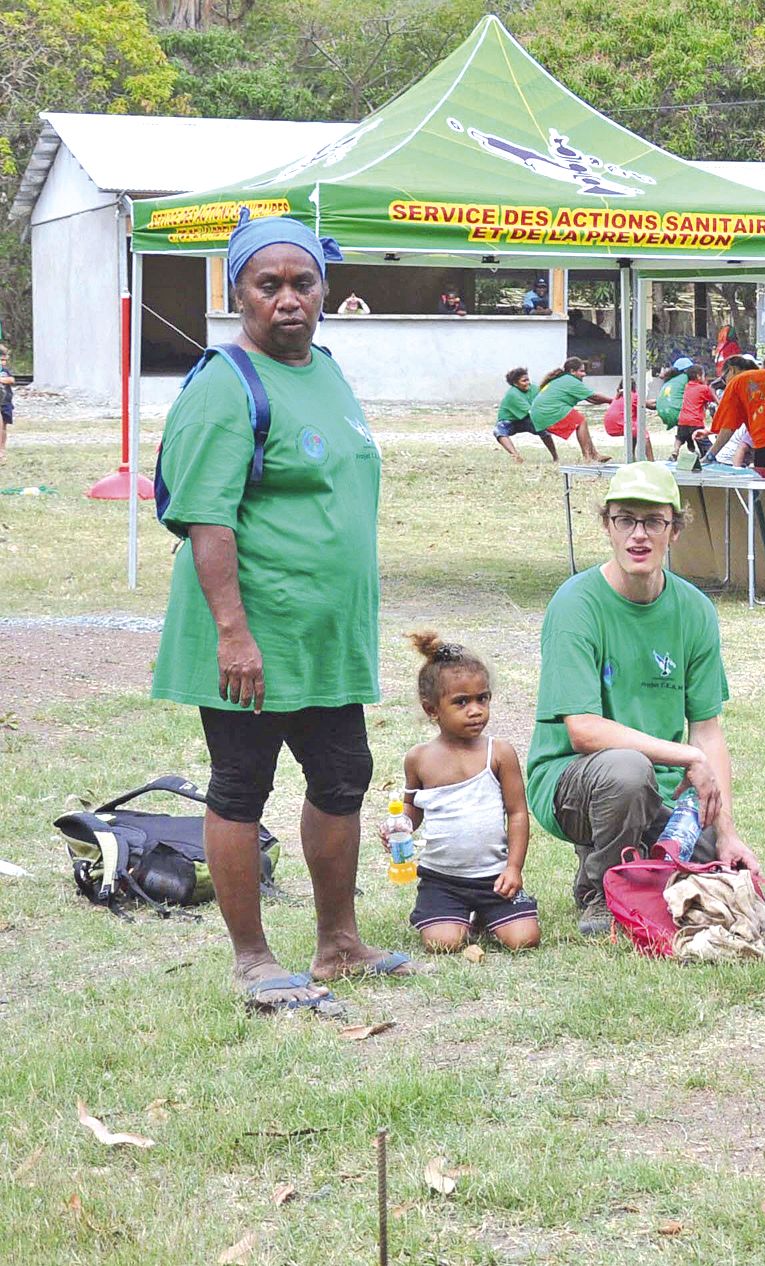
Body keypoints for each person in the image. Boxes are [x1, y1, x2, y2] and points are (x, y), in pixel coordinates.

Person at [151, 212, 423, 1013]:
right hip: (251, 631)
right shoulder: (225, 385)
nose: (288, 299)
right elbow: (207, 518)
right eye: (268, 285)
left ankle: (339, 944)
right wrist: (233, 633)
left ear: (325, 289)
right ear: (238, 292)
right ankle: (252, 959)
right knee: (242, 781)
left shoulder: (328, 371)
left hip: (322, 633)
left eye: (303, 282)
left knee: (344, 773)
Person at [525, 463, 760, 933]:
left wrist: (728, 832)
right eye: (625, 520)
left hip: (662, 785)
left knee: (726, 883)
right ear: (607, 526)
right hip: (571, 779)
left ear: (674, 530)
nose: (639, 535)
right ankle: (601, 890)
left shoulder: (694, 609)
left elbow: (708, 731)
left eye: (654, 521)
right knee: (628, 770)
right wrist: (686, 754)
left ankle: (645, 865)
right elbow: (584, 729)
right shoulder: (576, 604)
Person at [397, 632, 539, 954]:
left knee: (524, 939)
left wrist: (513, 868)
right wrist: (401, 826)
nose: (475, 710)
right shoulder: (419, 759)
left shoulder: (499, 753)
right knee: (443, 943)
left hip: (494, 877)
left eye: (482, 699)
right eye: (461, 702)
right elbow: (412, 810)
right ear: (431, 709)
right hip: (441, 879)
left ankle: (487, 913)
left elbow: (517, 813)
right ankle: (458, 915)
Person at [529, 357, 610, 464]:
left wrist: (610, 401)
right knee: (580, 421)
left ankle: (594, 455)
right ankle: (588, 456)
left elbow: (591, 399)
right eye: (581, 371)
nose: (584, 374)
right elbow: (594, 397)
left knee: (580, 420)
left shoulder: (564, 379)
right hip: (547, 411)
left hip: (538, 412)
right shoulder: (571, 381)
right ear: (572, 371)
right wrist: (613, 400)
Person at [493, 366, 555, 463]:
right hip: (510, 421)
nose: (528, 383)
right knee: (499, 430)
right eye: (524, 381)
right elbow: (532, 412)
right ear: (515, 384)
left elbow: (545, 401)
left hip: (525, 418)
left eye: (528, 380)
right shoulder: (513, 394)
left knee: (543, 430)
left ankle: (555, 457)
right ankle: (516, 456)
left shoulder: (534, 388)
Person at [673, 364, 716, 462]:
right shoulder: (704, 388)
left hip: (682, 420)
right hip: (695, 422)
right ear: (698, 376)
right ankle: (708, 457)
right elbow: (712, 399)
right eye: (704, 375)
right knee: (704, 443)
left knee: (680, 437)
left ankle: (676, 450)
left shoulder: (686, 387)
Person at [0, 344, 13, 464]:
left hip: (6, 401)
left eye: (4, 360)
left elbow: (11, 380)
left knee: (3, 427)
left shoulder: (5, 371)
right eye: (1, 360)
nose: (3, 362)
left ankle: (2, 449)